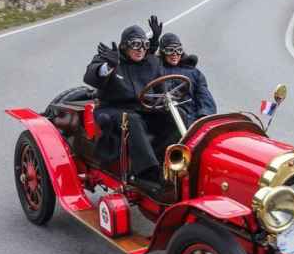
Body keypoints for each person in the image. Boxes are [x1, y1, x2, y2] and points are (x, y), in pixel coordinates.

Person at [83, 24, 166, 185]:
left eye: (144, 45)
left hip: (144, 109)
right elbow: (90, 76)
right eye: (135, 44)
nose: (141, 49)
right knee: (132, 119)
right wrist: (109, 66)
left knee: (176, 115)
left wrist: (165, 102)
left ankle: (174, 160)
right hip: (112, 109)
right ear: (124, 46)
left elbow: (161, 90)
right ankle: (148, 172)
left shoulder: (152, 62)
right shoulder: (111, 58)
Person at [147, 15, 217, 135]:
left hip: (192, 119)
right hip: (165, 119)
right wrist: (154, 40)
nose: (174, 54)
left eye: (178, 50)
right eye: (170, 50)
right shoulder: (156, 69)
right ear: (163, 52)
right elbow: (144, 62)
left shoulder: (194, 73)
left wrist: (202, 118)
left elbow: (205, 98)